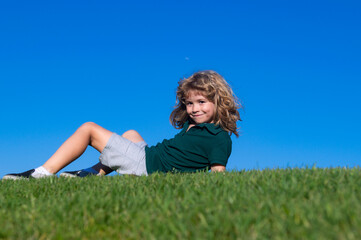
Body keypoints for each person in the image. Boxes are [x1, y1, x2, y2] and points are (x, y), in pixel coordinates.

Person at [3, 70, 242, 180]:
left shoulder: (218, 137)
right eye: (189, 103)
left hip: (147, 167)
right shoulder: (193, 125)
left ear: (218, 101)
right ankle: (90, 174)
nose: (194, 109)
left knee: (89, 129)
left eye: (201, 102)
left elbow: (217, 175)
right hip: (149, 155)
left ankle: (41, 173)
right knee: (130, 133)